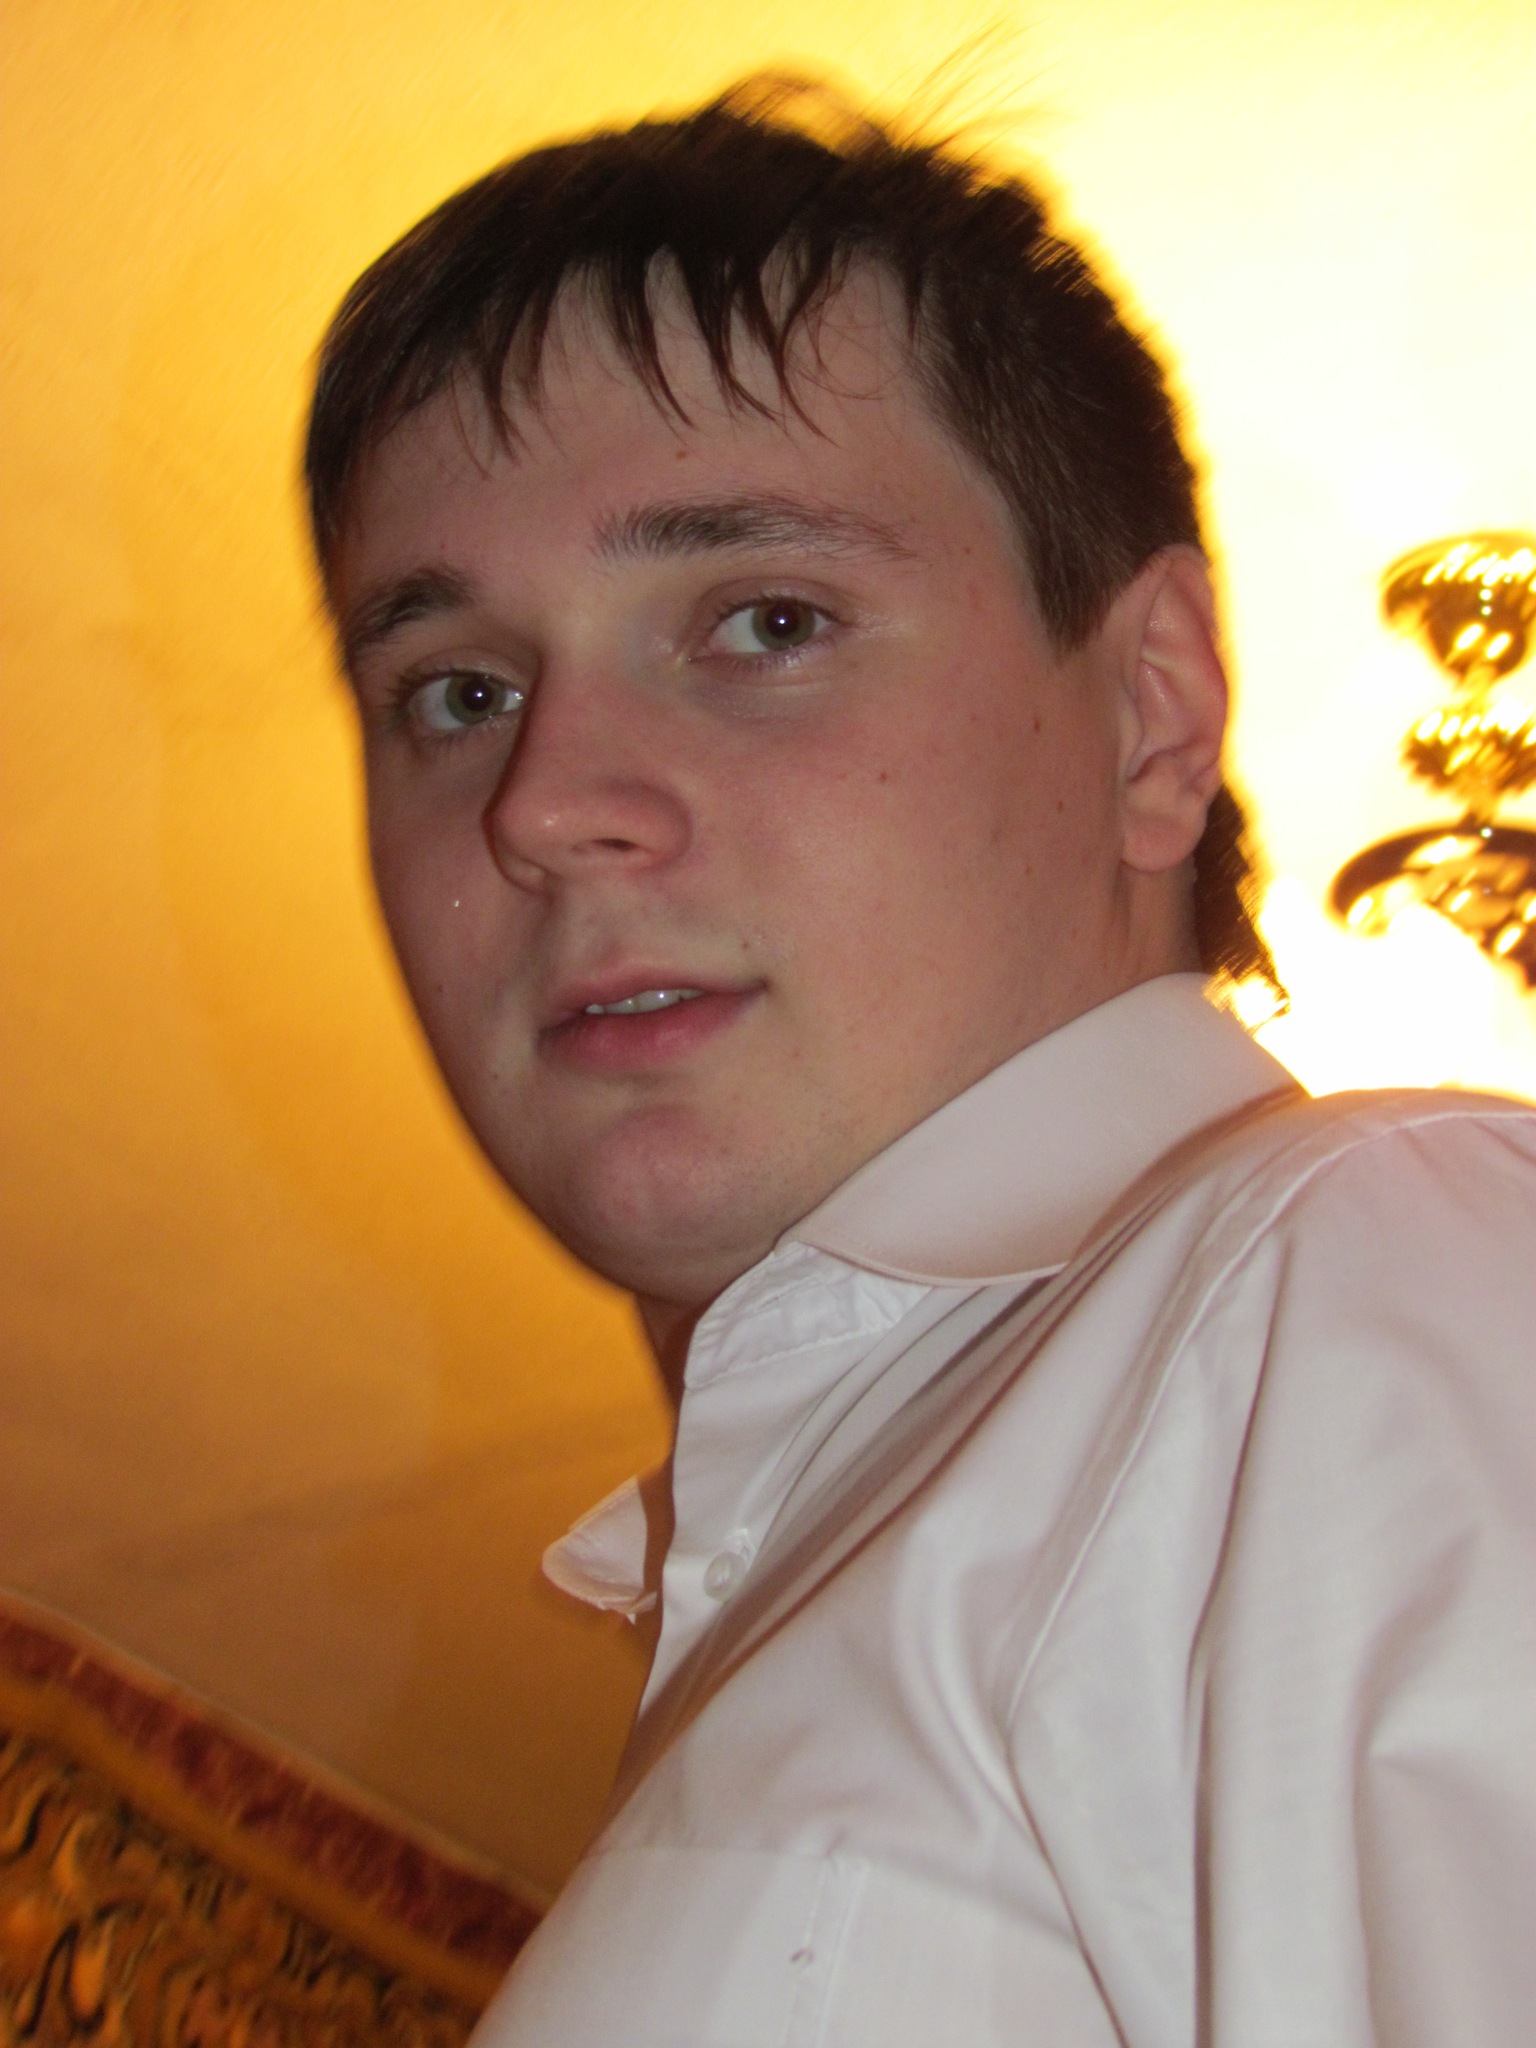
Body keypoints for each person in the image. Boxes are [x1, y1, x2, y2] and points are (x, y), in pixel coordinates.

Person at [304, 79, 1535, 2047]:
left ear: (1152, 716)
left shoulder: (1355, 1274)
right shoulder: (832, 1557)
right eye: (458, 691)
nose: (545, 804)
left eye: (765, 621)